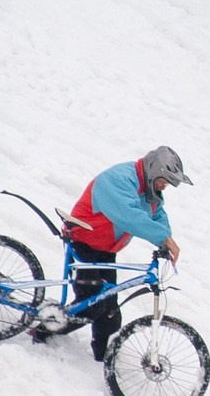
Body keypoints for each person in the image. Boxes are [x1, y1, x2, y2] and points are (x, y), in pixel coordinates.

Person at [31, 146, 191, 361]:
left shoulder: (149, 190)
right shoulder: (120, 179)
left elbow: (157, 213)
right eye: (164, 180)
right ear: (154, 170)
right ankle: (43, 330)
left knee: (109, 310)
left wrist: (167, 239)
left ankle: (104, 359)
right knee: (93, 303)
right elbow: (129, 216)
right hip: (84, 241)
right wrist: (163, 238)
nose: (165, 186)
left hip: (106, 249)